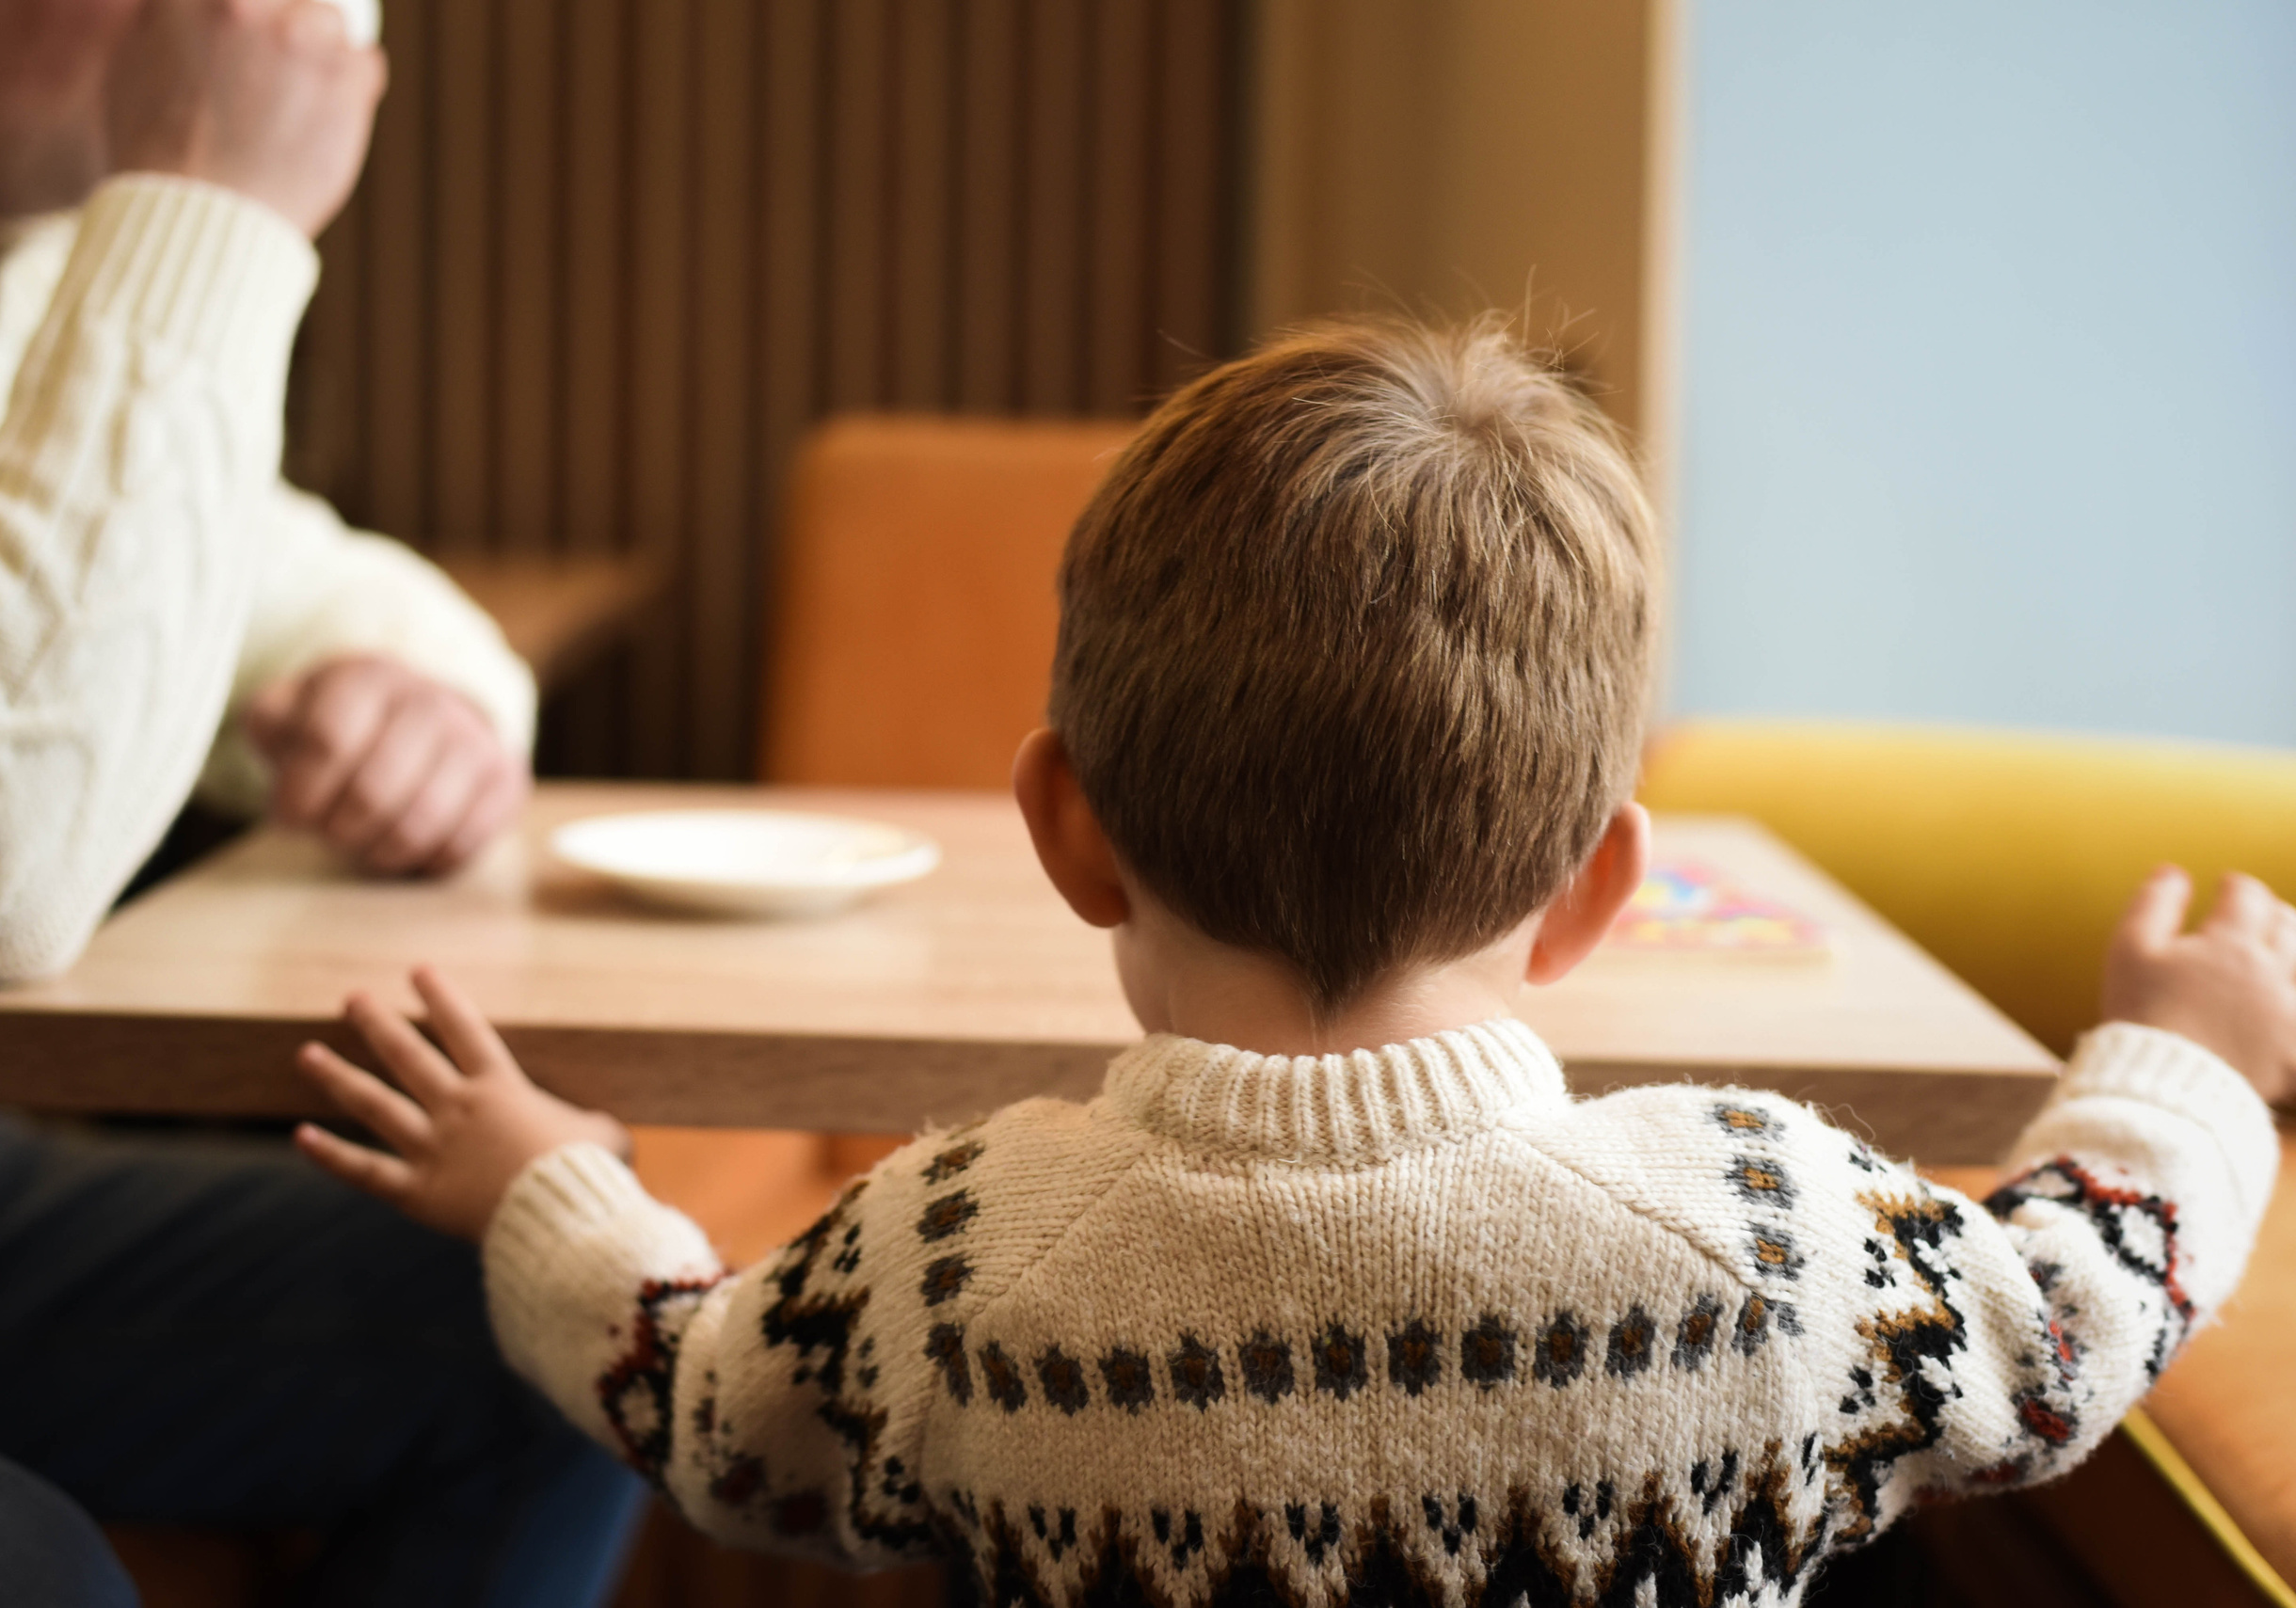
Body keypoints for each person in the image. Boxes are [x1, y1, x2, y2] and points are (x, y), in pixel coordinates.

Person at [295, 318, 2289, 1605]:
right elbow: (2065, 1319)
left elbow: (701, 1412)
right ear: (1600, 890)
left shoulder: (963, 1256)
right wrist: (2174, 1059)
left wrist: (546, 1182)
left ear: (1065, 830)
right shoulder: (1767, 1236)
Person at [0, 1, 641, 1601]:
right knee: (18, 1574)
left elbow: (280, 580)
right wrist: (207, 213)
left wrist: (426, 700)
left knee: (559, 1326)